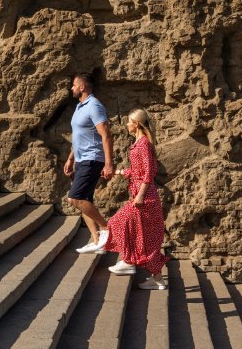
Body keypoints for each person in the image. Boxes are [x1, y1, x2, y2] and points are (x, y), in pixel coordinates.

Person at [102, 108, 169, 290]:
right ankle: (158, 280)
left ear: (136, 124)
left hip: (144, 197)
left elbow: (149, 172)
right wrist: (117, 172)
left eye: (129, 121)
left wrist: (140, 195)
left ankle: (128, 262)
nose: (127, 125)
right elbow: (137, 170)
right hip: (141, 194)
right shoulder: (139, 142)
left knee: (117, 222)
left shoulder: (144, 144)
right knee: (145, 238)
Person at [63, 72, 115, 253]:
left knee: (75, 198)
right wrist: (71, 158)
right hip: (81, 159)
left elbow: (106, 135)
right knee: (85, 200)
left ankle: (106, 229)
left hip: (92, 159)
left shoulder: (94, 106)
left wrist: (109, 164)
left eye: (74, 85)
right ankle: (97, 241)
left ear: (82, 87)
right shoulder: (79, 107)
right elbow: (79, 136)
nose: (72, 88)